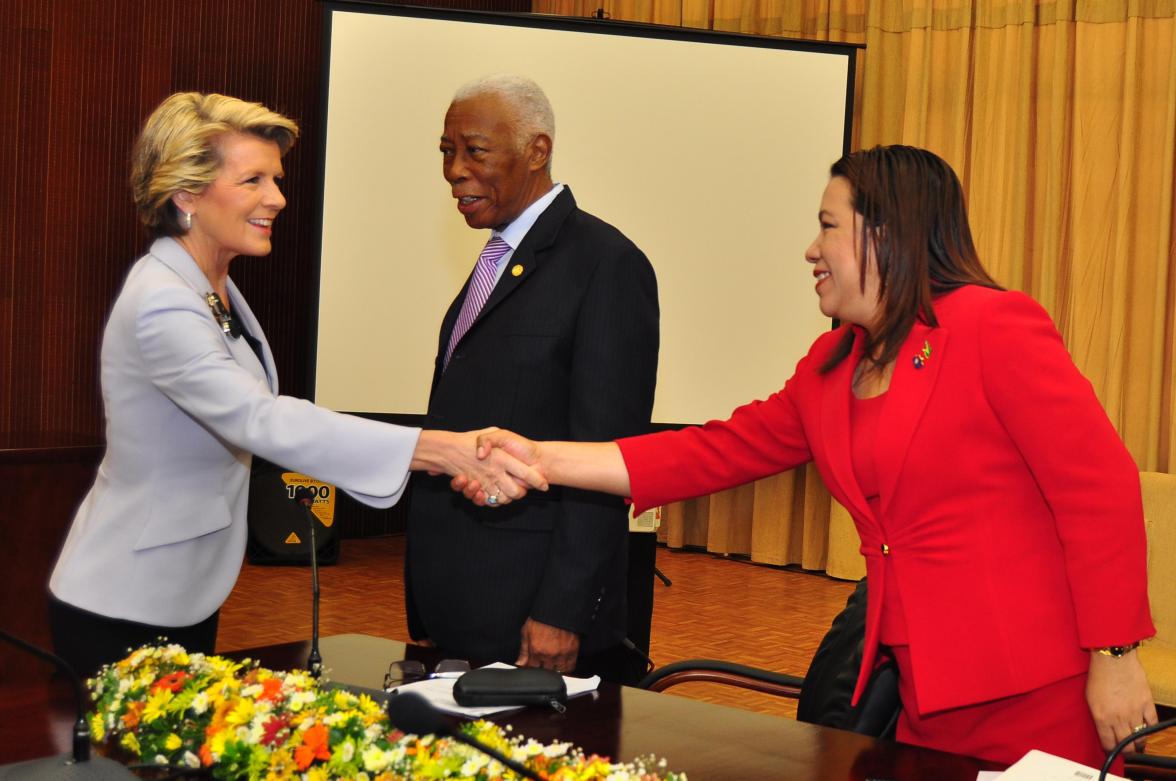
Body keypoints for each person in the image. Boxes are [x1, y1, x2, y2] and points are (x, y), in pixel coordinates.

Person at [469, 145, 1156, 768]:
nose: (810, 249)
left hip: (1036, 693)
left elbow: (1100, 490)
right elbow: (706, 453)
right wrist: (541, 458)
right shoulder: (830, 368)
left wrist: (1117, 656)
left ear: (884, 233)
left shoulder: (991, 327)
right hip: (919, 699)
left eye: (828, 225)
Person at [47, 92, 544, 679]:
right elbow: (259, 419)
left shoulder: (208, 284)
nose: (276, 198)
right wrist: (436, 448)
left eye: (276, 179)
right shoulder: (162, 301)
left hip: (180, 588)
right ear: (186, 194)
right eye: (253, 179)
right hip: (125, 597)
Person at [404, 74, 659, 683]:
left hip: (530, 613)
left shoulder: (606, 265)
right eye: (446, 152)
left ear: (537, 152)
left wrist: (561, 612)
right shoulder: (497, 254)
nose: (454, 170)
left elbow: (604, 458)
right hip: (460, 598)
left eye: (474, 150)